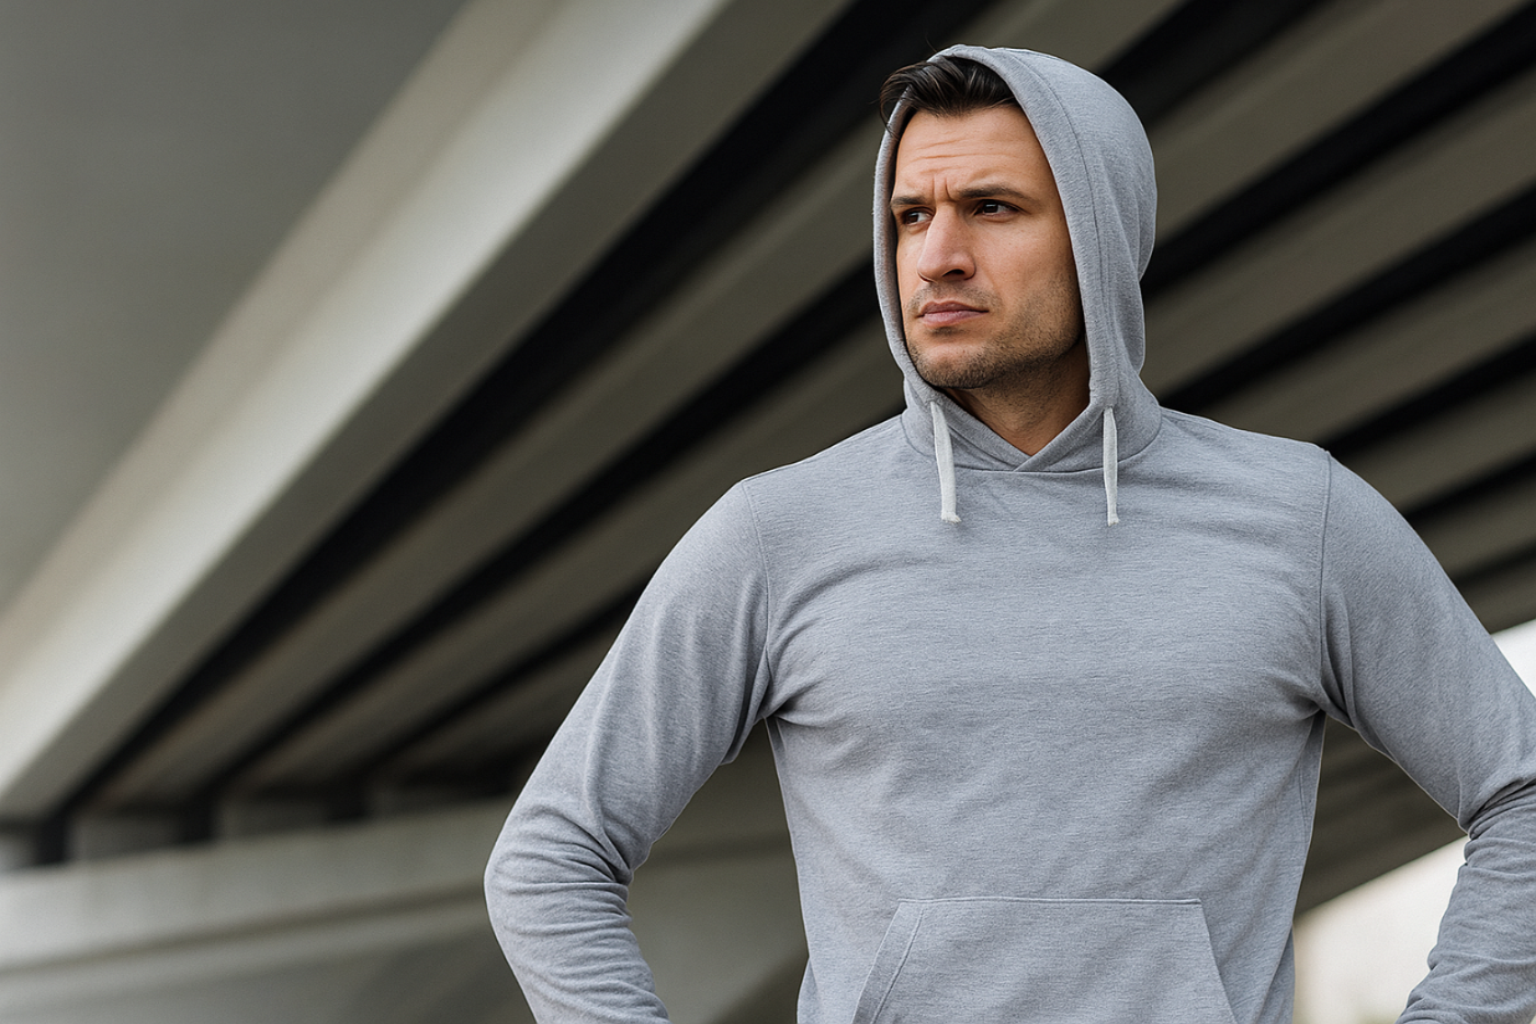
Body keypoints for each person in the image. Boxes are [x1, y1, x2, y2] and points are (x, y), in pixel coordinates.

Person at [485, 45, 1536, 1024]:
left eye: (991, 208)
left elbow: (1521, 793)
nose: (937, 255)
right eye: (910, 216)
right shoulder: (779, 532)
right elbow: (551, 852)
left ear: (1099, 233)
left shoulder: (1301, 518)